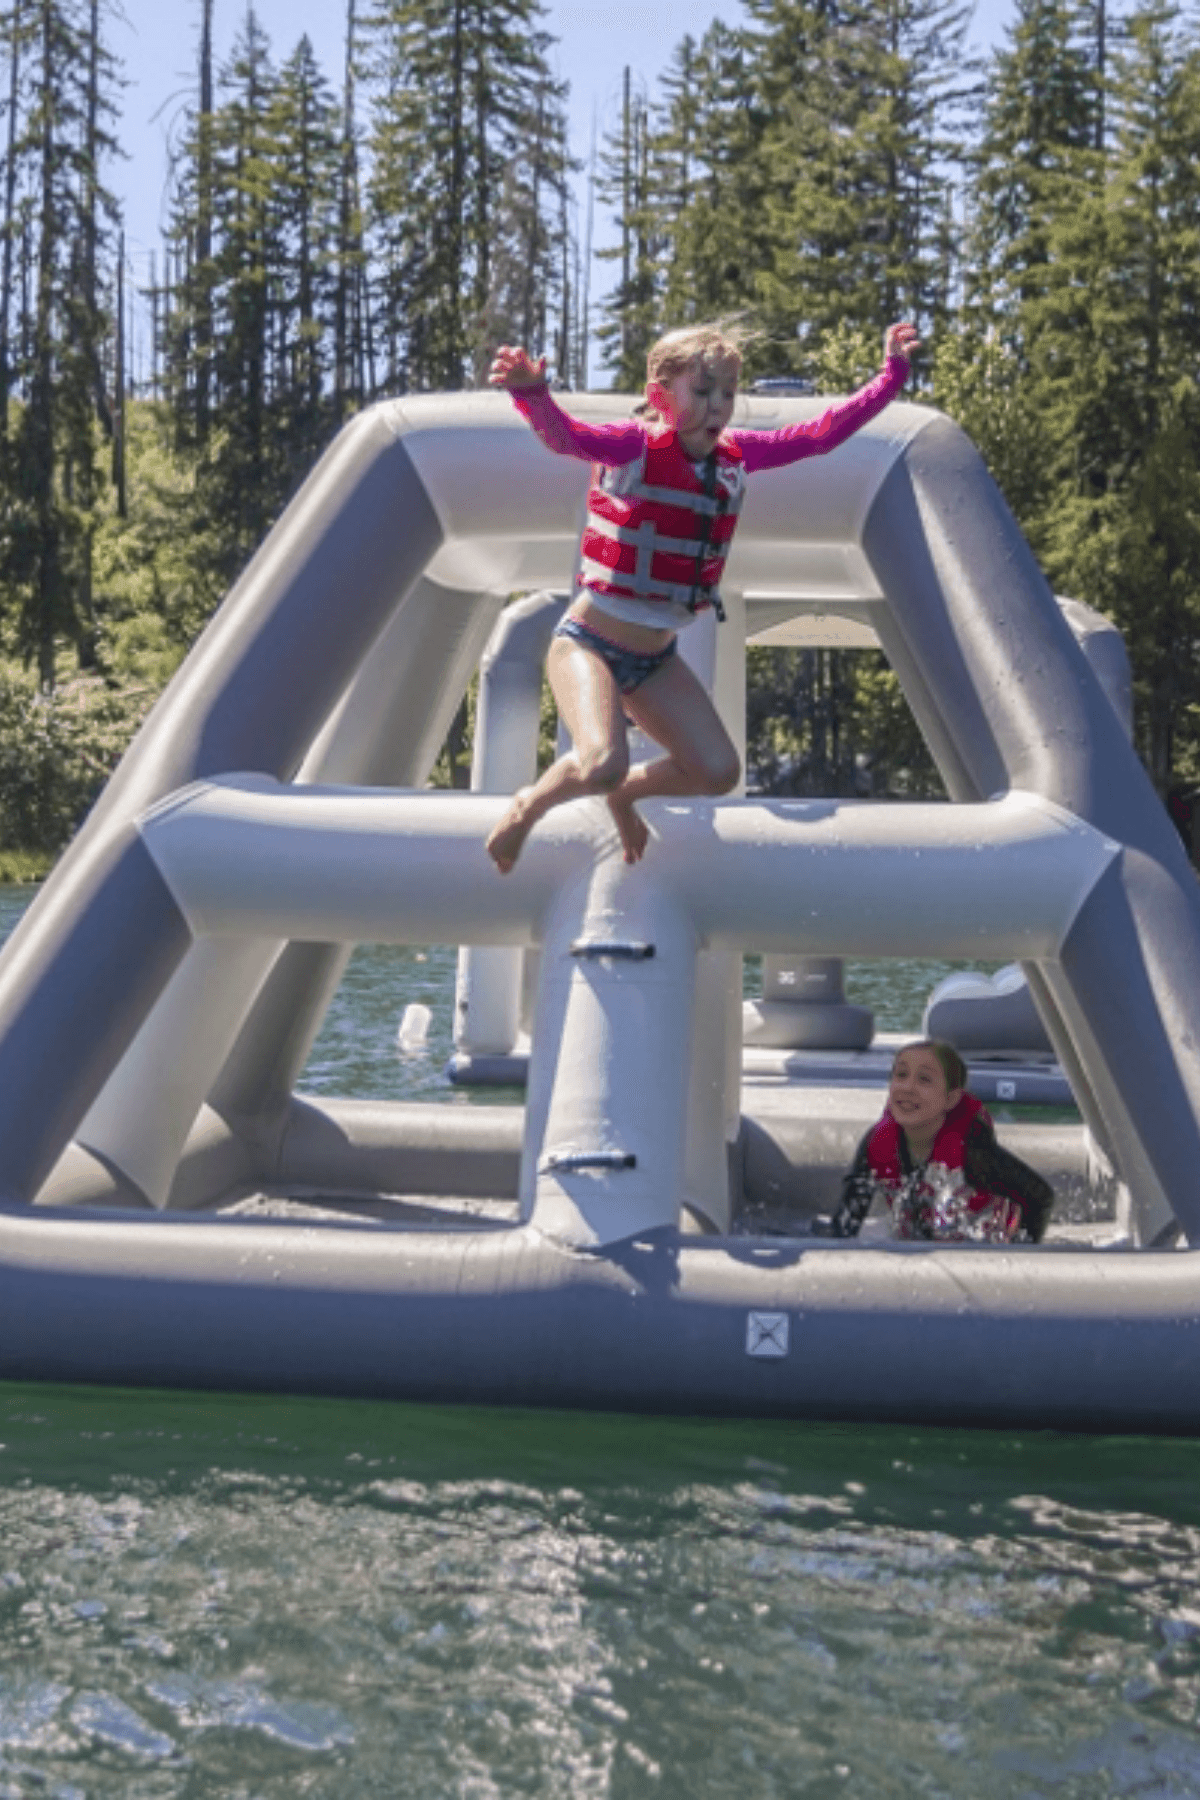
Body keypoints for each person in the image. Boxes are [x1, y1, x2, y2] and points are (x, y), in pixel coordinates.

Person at [484, 318, 920, 872]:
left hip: (652, 661)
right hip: (588, 642)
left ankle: (626, 798)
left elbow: (821, 434)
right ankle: (529, 805)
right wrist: (530, 392)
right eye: (704, 391)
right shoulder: (631, 448)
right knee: (600, 763)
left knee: (716, 772)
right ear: (659, 398)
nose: (719, 406)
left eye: (728, 394)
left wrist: (890, 377)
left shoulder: (735, 458)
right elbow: (565, 436)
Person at [828, 1039, 1054, 1242]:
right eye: (901, 1075)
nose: (908, 1088)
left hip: (983, 1238)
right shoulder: (875, 1144)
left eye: (924, 1079)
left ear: (951, 1099)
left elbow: (1040, 1197)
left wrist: (1018, 1254)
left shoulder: (973, 1152)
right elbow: (843, 1229)